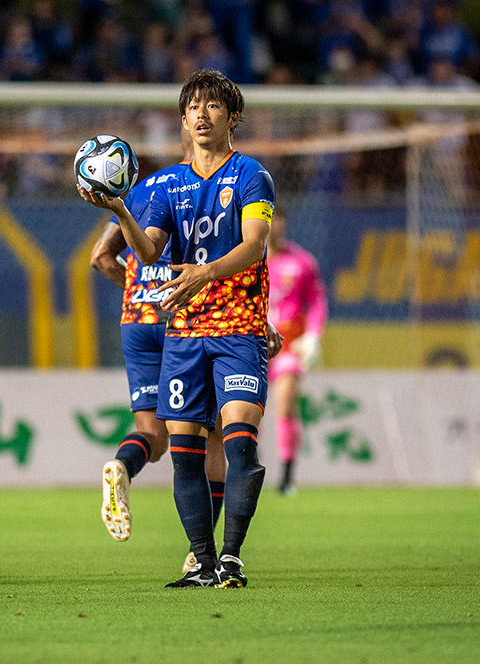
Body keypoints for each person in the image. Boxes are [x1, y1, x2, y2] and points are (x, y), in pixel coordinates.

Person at [80, 69, 276, 589]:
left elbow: (254, 245)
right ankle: (202, 563)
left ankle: (231, 558)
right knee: (185, 456)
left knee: (238, 445)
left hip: (238, 327)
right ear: (183, 121)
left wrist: (204, 273)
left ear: (233, 117)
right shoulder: (169, 185)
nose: (201, 115)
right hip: (183, 333)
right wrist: (119, 208)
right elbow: (148, 253)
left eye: (212, 106)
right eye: (193, 108)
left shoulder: (252, 175)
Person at [89, 127, 228, 546]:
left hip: (136, 320)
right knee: (213, 435)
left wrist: (140, 290)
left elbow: (100, 258)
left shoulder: (139, 191)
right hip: (183, 321)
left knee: (153, 436)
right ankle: (201, 551)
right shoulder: (206, 190)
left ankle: (122, 467)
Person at [266, 207, 328, 496]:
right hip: (249, 345)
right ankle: (243, 470)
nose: (272, 226)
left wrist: (313, 335)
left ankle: (287, 477)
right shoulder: (243, 259)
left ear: (284, 224)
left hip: (287, 346)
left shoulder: (301, 263)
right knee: (243, 411)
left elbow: (316, 301)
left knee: (285, 403)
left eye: (277, 220)